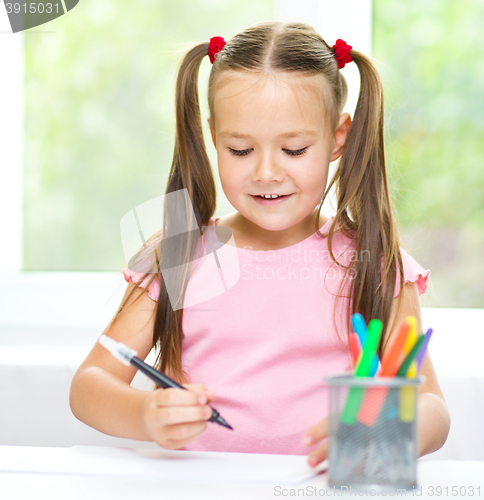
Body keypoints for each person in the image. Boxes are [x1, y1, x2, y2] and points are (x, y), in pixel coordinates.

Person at [69, 21, 450, 468]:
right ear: (214, 137)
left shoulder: (375, 264)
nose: (266, 172)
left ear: (337, 139)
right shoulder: (179, 254)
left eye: (293, 149)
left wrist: (388, 433)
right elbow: (88, 385)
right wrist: (144, 414)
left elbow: (433, 408)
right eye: (240, 150)